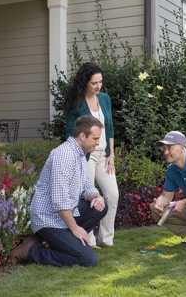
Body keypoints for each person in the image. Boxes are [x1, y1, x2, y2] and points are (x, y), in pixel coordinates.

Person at [10, 115, 108, 267]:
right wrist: (75, 229)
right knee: (88, 260)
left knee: (100, 207)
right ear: (82, 136)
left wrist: (96, 196)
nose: (98, 142)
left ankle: (56, 240)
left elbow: (87, 187)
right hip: (48, 219)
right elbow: (59, 201)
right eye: (95, 138)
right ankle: (31, 251)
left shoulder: (80, 154)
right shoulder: (64, 155)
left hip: (66, 214)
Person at [63, 61, 119, 248]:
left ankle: (107, 238)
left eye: (100, 82)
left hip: (103, 155)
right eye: (94, 83)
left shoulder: (105, 99)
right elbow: (70, 133)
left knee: (112, 194)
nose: (98, 86)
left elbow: (109, 128)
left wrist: (111, 154)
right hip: (84, 156)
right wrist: (75, 157)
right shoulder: (77, 103)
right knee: (88, 197)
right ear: (85, 82)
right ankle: (89, 239)